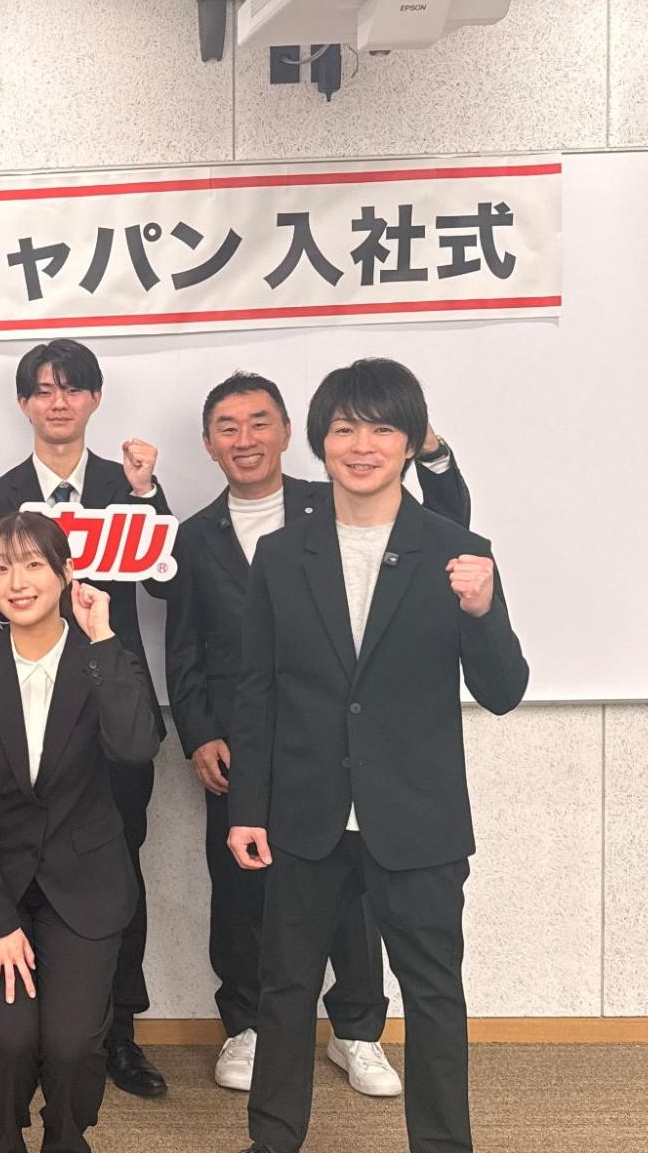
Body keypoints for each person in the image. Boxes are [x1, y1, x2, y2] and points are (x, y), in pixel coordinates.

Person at [207, 359, 528, 1153]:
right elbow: (256, 689)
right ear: (319, 442)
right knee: (283, 986)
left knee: (432, 994)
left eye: (381, 428)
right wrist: (247, 808)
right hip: (304, 810)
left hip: (415, 814)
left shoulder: (455, 547)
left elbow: (502, 689)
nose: (360, 446)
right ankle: (273, 1150)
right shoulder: (284, 552)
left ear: (408, 441)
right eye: (343, 428)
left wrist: (482, 611)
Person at [168, 373, 474, 1097]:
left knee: (356, 895)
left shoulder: (335, 498)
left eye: (259, 422)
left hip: (340, 741)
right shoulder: (195, 534)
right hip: (241, 743)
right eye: (227, 427)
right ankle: (246, 1024)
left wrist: (428, 445)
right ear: (208, 444)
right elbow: (182, 647)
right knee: (242, 891)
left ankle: (357, 1029)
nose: (245, 439)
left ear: (286, 432)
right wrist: (199, 733)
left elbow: (447, 526)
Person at [0, 511, 159, 1153]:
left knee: (72, 1041)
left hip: (83, 884)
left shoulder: (103, 660)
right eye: (0, 568)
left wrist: (104, 636)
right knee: (7, 1036)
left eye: (33, 564)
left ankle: (67, 1148)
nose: (17, 581)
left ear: (66, 574)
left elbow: (134, 747)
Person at [0, 338, 171, 1100]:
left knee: (118, 871)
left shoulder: (128, 486)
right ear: (23, 403)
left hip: (111, 711)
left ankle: (116, 1031)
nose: (58, 402)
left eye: (72, 388)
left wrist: (147, 497)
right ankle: (37, 1025)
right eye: (43, 390)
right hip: (21, 714)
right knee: (19, 863)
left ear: (93, 399)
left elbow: (167, 581)